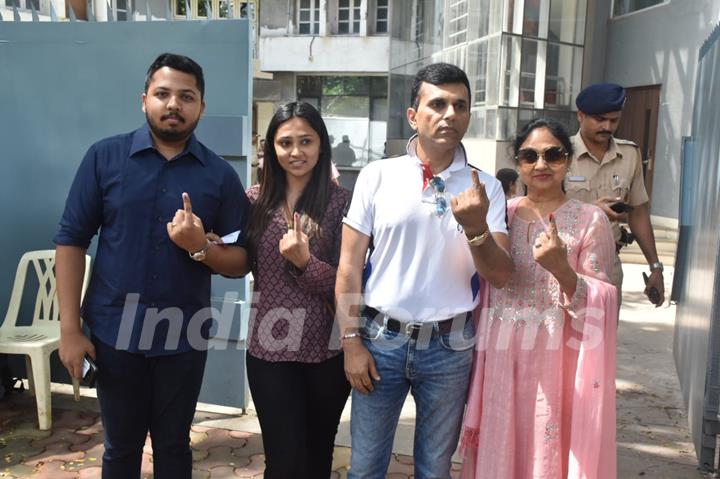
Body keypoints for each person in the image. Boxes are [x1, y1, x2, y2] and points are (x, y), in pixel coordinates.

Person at [54, 53, 249, 479]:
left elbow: (240, 261)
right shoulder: (104, 158)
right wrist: (69, 329)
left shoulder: (219, 177)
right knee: (120, 450)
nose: (173, 104)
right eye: (163, 94)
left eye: (186, 96)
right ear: (144, 100)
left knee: (174, 446)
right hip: (114, 333)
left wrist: (200, 248)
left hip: (183, 334)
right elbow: (71, 240)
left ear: (201, 106)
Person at [336, 62, 513, 478]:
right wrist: (350, 343)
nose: (450, 114)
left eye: (460, 105)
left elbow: (501, 275)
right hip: (381, 340)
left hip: (451, 347)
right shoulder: (378, 176)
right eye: (437, 104)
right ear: (413, 114)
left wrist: (476, 228)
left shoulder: (486, 188)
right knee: (365, 468)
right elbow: (348, 266)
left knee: (435, 469)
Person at [460, 118, 618, 479]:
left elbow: (603, 300)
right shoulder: (503, 213)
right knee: (500, 447)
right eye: (530, 156)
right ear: (518, 162)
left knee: (546, 453)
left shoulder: (590, 220)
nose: (541, 164)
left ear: (568, 159)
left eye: (553, 155)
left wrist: (563, 269)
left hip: (558, 357)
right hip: (500, 355)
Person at [239, 101, 351, 478]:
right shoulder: (253, 200)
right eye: (285, 142)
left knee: (317, 455)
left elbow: (347, 283)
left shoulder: (341, 203)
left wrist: (306, 263)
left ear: (321, 145)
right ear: (271, 147)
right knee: (284, 461)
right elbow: (239, 259)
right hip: (269, 351)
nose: (296, 151)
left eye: (306, 141)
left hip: (326, 353)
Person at [565, 82, 665, 306]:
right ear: (580, 115)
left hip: (609, 265)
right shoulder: (559, 153)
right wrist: (590, 212)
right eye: (600, 119)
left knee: (604, 338)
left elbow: (638, 212)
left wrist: (655, 266)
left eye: (614, 120)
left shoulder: (629, 154)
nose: (607, 126)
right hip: (565, 263)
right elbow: (541, 209)